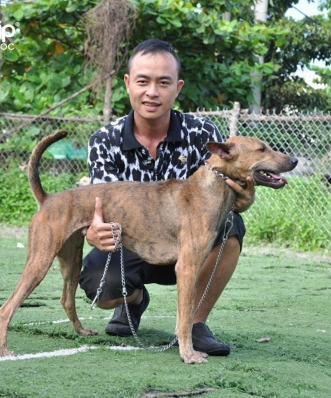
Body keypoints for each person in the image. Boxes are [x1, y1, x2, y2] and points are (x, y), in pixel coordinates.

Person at [79, 39, 255, 356]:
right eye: (143, 81)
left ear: (178, 87)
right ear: (128, 84)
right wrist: (92, 231)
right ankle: (133, 301)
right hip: (131, 242)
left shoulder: (202, 134)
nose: (152, 92)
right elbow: (98, 208)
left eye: (164, 82)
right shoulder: (104, 140)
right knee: (98, 285)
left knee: (231, 224)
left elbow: (232, 196)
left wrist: (244, 200)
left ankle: (195, 324)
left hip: (190, 243)